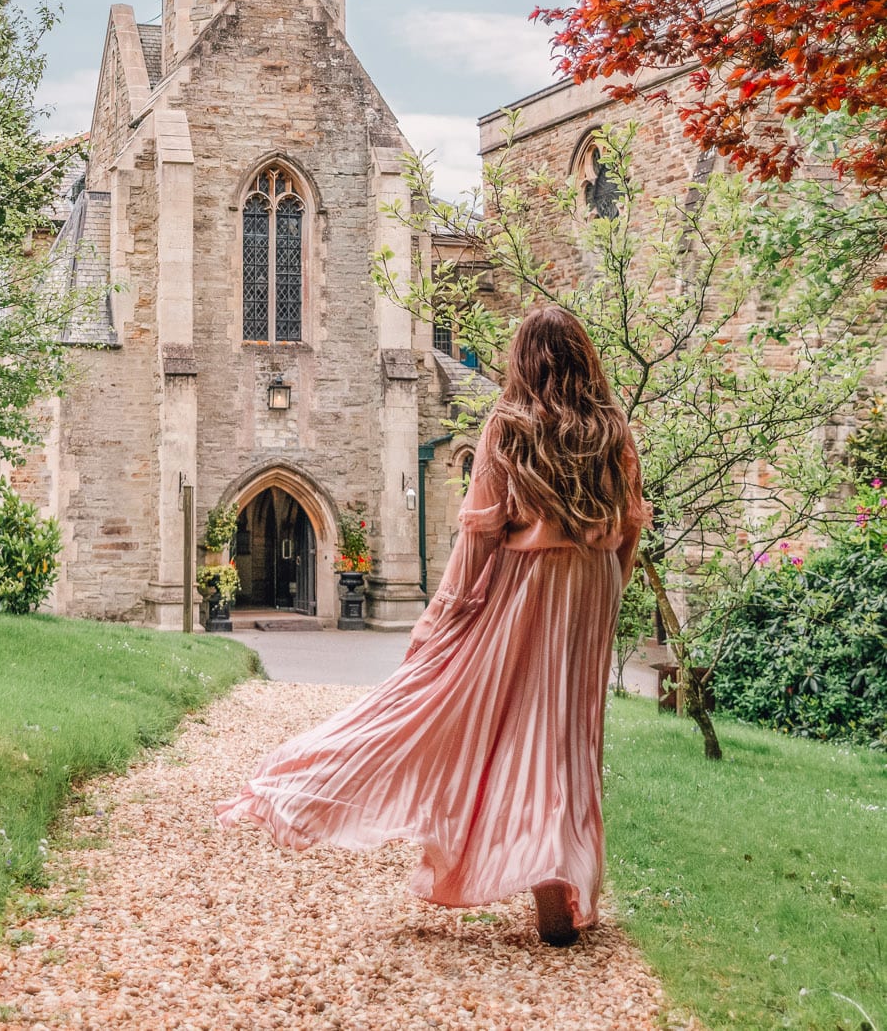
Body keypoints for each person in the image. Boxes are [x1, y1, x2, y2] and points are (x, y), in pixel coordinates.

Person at [216, 305, 650, 947]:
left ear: (524, 359)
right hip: (592, 585)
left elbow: (479, 536)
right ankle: (559, 870)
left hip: (528, 585)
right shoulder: (614, 427)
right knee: (566, 733)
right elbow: (630, 523)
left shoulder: (509, 425)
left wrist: (440, 619)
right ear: (584, 355)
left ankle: (307, 782)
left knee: (475, 713)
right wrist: (610, 587)